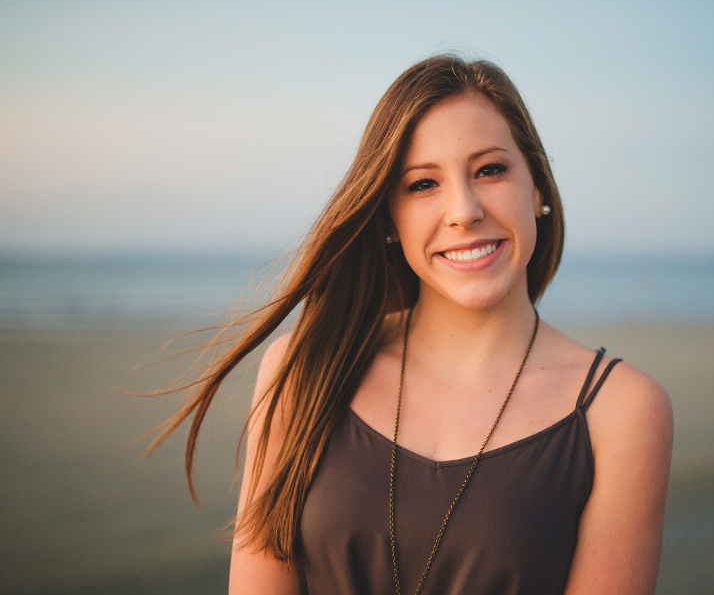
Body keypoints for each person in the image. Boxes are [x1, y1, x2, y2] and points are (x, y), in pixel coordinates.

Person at [156, 54, 673, 595]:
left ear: (538, 188)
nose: (463, 210)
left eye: (490, 170)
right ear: (387, 219)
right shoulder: (304, 369)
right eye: (423, 184)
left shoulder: (622, 411)